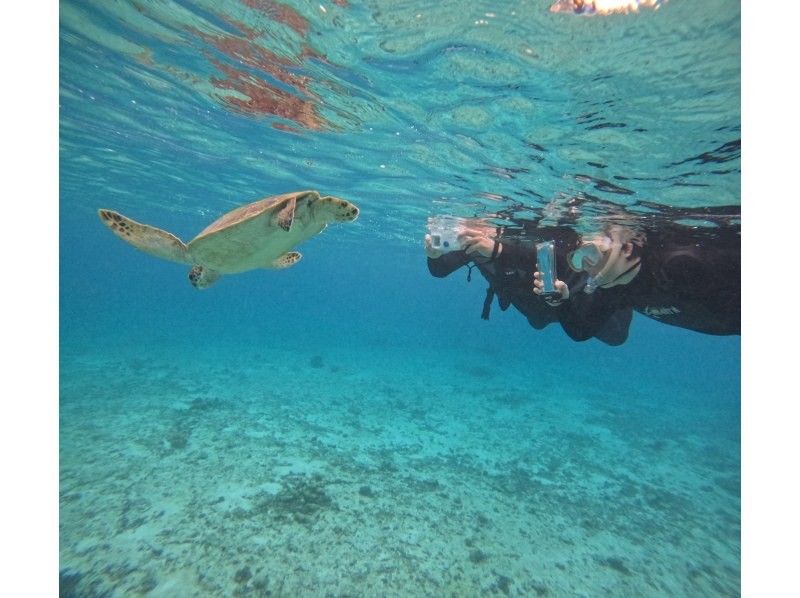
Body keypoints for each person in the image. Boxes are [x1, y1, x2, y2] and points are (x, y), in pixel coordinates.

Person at [424, 218, 634, 346]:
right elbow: (440, 270)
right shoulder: (473, 242)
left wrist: (498, 250)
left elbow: (558, 253)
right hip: (533, 306)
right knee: (537, 321)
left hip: (573, 295)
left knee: (616, 337)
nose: (481, 228)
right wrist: (433, 255)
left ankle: (618, 293)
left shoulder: (522, 231)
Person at [532, 222, 741, 338]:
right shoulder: (614, 290)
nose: (588, 267)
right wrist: (563, 301)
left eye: (593, 253)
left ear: (628, 247)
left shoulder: (682, 263)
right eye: (579, 259)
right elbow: (581, 330)